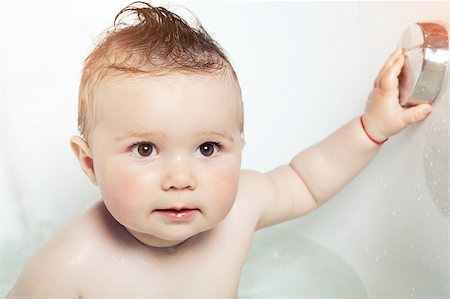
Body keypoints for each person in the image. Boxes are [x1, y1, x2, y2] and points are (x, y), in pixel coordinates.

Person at [6, 2, 432, 298]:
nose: (180, 179)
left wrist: (373, 126)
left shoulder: (241, 207)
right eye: (146, 149)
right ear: (89, 163)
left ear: (240, 146)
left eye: (207, 148)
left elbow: (307, 180)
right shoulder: (66, 268)